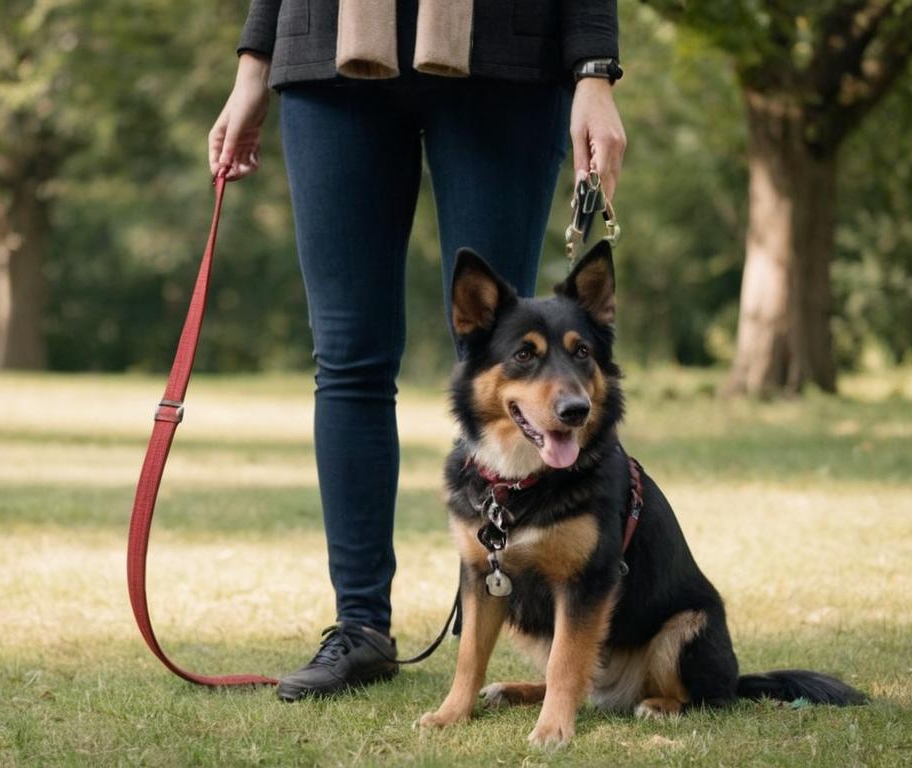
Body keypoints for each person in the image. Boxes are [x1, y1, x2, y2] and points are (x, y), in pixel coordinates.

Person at [209, 0, 626, 701]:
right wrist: (255, 62)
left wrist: (594, 71)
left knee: (507, 354)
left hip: (506, 53)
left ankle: (497, 607)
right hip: (328, 51)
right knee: (347, 356)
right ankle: (361, 627)